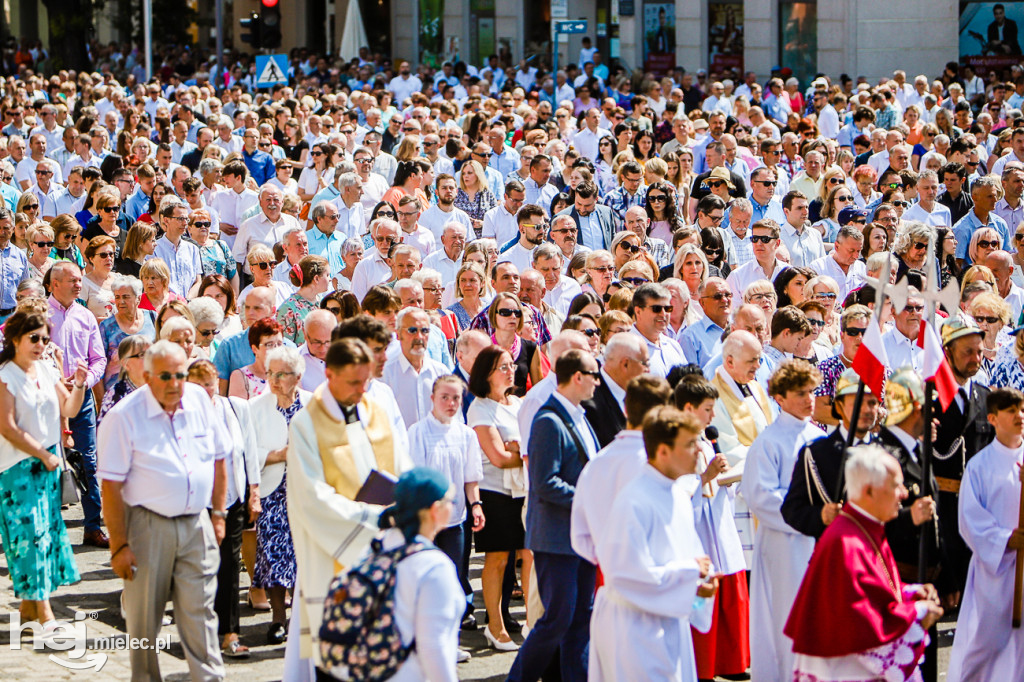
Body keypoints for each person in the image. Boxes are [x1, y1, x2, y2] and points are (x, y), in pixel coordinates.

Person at [97, 340, 232, 681]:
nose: (175, 384)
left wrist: (218, 513)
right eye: (165, 376)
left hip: (196, 522)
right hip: (147, 524)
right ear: (146, 375)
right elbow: (111, 485)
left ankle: (209, 677)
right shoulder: (123, 416)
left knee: (201, 610)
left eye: (181, 375)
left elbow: (219, 457)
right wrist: (119, 545)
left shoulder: (199, 399)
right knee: (144, 620)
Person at [286, 337, 413, 675]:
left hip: (382, 552)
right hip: (334, 555)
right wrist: (374, 517)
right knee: (337, 661)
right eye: (354, 382)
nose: (361, 390)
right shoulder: (306, 424)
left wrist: (413, 500)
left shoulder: (375, 412)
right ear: (329, 374)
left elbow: (402, 466)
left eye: (365, 381)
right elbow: (312, 497)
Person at [785, 444, 944, 680]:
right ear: (869, 492)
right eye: (895, 485)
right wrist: (918, 615)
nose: (903, 493)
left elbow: (876, 590)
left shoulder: (865, 526)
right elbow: (861, 626)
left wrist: (911, 593)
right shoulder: (845, 543)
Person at [588, 405, 719, 682]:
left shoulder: (679, 495)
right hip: (634, 630)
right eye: (689, 444)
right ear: (662, 451)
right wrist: (690, 572)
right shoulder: (634, 501)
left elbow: (688, 560)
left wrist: (699, 590)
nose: (699, 450)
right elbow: (626, 575)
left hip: (669, 623)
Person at [507, 349, 600, 682]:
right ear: (577, 377)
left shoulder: (579, 414)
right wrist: (592, 500)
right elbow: (545, 483)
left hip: (580, 536)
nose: (598, 382)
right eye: (594, 375)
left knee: (579, 619)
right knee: (557, 619)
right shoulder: (548, 420)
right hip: (556, 538)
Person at [0, 311, 88, 633]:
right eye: (34, 338)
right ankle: (45, 612)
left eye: (45, 339)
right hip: (17, 466)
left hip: (47, 462)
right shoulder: (6, 374)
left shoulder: (47, 369)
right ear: (15, 339)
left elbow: (70, 409)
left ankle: (26, 609)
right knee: (29, 538)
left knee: (45, 535)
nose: (40, 345)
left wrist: (78, 383)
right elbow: (7, 428)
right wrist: (42, 455)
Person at [743, 359, 826, 682]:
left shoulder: (818, 436)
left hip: (818, 539)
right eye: (800, 393)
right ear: (779, 397)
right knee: (786, 615)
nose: (809, 399)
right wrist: (806, 517)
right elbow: (760, 496)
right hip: (785, 543)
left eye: (812, 392)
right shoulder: (769, 442)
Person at [674, 374, 750, 681]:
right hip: (697, 530)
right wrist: (704, 478)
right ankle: (704, 666)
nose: (713, 416)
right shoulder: (676, 440)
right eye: (708, 409)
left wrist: (725, 478)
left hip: (717, 522)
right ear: (689, 408)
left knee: (730, 592)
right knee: (704, 596)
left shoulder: (705, 439)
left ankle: (730, 661)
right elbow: (677, 490)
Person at [946, 386, 1024, 678]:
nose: (1020, 416)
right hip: (995, 571)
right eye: (1011, 411)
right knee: (986, 643)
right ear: (992, 418)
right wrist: (1005, 539)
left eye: (1021, 409)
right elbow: (969, 519)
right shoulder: (979, 466)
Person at [185, 359, 261, 659]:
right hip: (197, 501)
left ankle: (230, 633)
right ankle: (200, 633)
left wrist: (254, 493)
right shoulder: (184, 414)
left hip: (233, 499)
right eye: (198, 384)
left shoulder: (236, 409)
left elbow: (250, 452)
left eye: (209, 382)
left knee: (230, 567)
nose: (205, 389)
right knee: (201, 567)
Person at [407, 375, 485, 650]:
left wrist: (476, 505)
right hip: (426, 523)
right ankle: (424, 644)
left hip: (455, 521)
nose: (451, 403)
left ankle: (451, 643)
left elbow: (470, 478)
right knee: (426, 583)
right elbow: (417, 479)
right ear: (432, 399)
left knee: (453, 580)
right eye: (445, 397)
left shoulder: (466, 434)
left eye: (456, 398)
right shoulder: (417, 432)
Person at [375, 467, 465, 681]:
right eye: (450, 501)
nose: (453, 507)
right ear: (436, 509)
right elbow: (434, 647)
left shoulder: (374, 548)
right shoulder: (433, 566)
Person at [247, 346, 310, 644]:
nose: (273, 380)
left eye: (281, 374)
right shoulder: (256, 407)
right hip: (272, 489)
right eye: (270, 373)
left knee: (301, 553)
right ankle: (277, 618)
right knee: (273, 553)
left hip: (306, 491)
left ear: (297, 377)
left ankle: (299, 617)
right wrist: (278, 455)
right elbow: (248, 452)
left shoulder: (313, 405)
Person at [467, 344, 527, 650]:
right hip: (494, 492)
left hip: (522, 492)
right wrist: (520, 453)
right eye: (503, 366)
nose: (510, 370)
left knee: (526, 556)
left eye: (511, 365)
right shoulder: (480, 407)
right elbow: (499, 457)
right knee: (498, 559)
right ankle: (495, 625)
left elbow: (520, 448)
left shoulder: (517, 403)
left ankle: (532, 621)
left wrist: (518, 450)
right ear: (487, 373)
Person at [48, 261, 108, 547]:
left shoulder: (85, 315)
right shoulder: (38, 315)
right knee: (48, 462)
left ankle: (93, 526)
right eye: (71, 280)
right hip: (47, 401)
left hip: (81, 399)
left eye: (79, 280)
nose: (77, 285)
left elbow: (99, 358)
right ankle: (48, 530)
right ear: (53, 283)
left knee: (89, 462)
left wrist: (85, 379)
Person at [783, 367, 881, 540]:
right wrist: (820, 515)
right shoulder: (816, 453)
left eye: (872, 403)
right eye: (857, 402)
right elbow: (792, 510)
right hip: (834, 554)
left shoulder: (886, 452)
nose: (866, 410)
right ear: (839, 406)